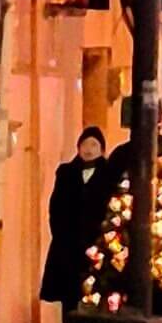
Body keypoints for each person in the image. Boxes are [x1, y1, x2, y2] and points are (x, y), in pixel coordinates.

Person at [40, 128, 117, 309]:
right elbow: (56, 206)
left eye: (94, 145)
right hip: (68, 244)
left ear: (102, 149)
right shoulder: (66, 172)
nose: (88, 149)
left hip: (97, 244)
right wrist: (60, 234)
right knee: (69, 295)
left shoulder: (109, 174)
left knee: (95, 292)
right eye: (84, 144)